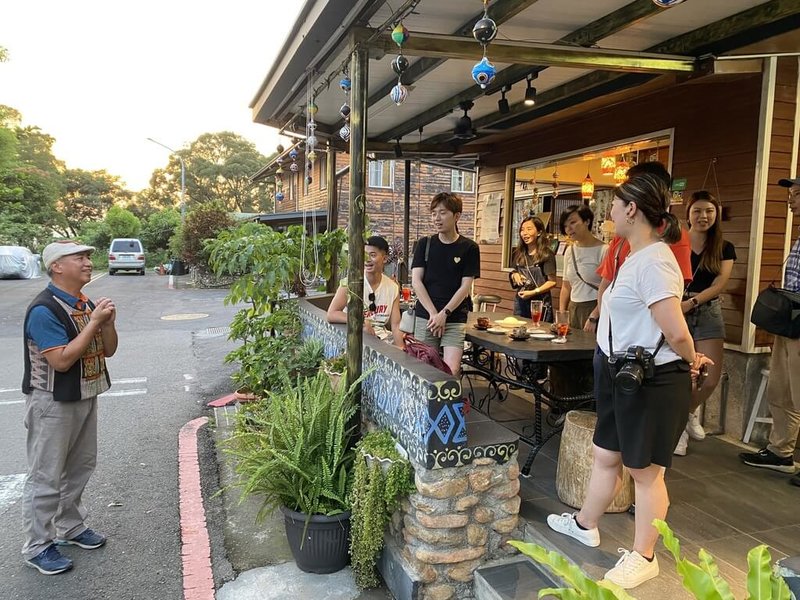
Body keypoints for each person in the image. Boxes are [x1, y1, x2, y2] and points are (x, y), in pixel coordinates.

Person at [546, 174, 713, 589]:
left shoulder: (656, 260)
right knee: (606, 455)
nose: (609, 215)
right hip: (621, 373)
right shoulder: (633, 254)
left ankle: (645, 555)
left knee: (646, 472)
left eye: (615, 206)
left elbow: (675, 331)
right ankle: (586, 524)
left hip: (652, 379)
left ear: (632, 210)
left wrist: (694, 359)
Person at [21, 241, 118, 575]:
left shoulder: (84, 302)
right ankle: (37, 545)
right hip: (52, 402)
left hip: (85, 394)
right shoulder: (44, 309)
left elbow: (108, 351)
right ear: (57, 266)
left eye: (89, 257)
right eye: (80, 257)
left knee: (80, 466)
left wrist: (106, 324)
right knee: (46, 474)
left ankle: (70, 527)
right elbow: (60, 361)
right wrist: (94, 322)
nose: (88, 262)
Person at [739, 177, 800, 488]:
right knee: (782, 390)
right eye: (790, 193)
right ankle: (781, 452)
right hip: (789, 324)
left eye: (797, 193)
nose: (791, 199)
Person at [587, 161, 693, 333]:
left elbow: (671, 299)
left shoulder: (671, 238)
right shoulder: (620, 238)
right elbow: (606, 285)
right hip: (614, 338)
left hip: (642, 340)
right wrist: (604, 321)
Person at [674, 191, 736, 456]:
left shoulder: (724, 246)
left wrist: (693, 303)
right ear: (688, 214)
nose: (704, 216)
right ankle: (676, 432)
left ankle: (687, 414)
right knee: (681, 374)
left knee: (709, 378)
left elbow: (720, 283)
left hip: (707, 310)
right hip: (676, 309)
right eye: (698, 211)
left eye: (709, 211)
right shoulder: (676, 242)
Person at [411, 192, 480, 376]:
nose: (436, 218)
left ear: (456, 216)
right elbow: (416, 282)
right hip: (427, 316)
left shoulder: (469, 248)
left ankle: (449, 404)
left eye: (442, 213)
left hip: (454, 316)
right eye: (433, 213)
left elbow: (465, 287)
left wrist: (445, 314)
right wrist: (434, 314)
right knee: (423, 368)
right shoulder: (424, 244)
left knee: (451, 370)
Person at [327, 235, 404, 349]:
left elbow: (396, 325)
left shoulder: (393, 287)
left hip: (382, 342)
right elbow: (332, 314)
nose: (367, 259)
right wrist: (361, 321)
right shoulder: (350, 283)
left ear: (384, 258)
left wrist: (401, 350)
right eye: (364, 255)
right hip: (354, 341)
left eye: (372, 255)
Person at [558, 205, 608, 330]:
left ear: (587, 221)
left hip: (595, 308)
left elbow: (608, 288)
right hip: (573, 307)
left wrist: (594, 316)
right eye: (565, 226)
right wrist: (562, 314)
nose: (568, 228)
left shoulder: (604, 250)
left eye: (573, 222)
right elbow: (566, 286)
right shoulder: (570, 251)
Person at [509, 216, 557, 321]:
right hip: (521, 302)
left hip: (540, 303)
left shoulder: (547, 254)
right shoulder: (519, 253)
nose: (524, 233)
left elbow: (552, 282)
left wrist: (534, 292)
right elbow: (514, 271)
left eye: (529, 229)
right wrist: (515, 275)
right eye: (522, 230)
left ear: (539, 232)